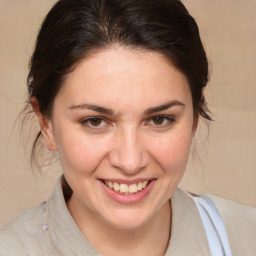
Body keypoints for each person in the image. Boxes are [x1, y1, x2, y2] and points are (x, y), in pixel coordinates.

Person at [0, 0, 255, 255]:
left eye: (159, 119)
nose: (130, 162)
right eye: (95, 121)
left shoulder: (246, 238)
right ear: (46, 123)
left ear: (194, 118)